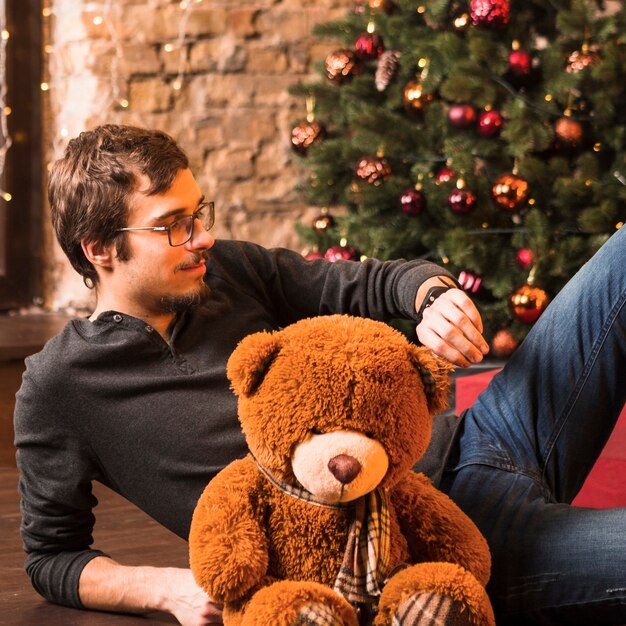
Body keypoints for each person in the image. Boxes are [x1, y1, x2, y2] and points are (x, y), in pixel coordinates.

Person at [13, 124, 625, 626]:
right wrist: (165, 587)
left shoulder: (230, 270)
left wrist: (433, 297)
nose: (204, 237)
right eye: (175, 225)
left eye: (201, 212)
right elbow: (52, 556)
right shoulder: (61, 384)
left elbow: (370, 282)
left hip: (481, 440)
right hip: (429, 546)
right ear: (99, 248)